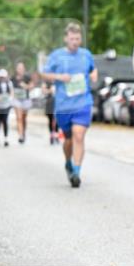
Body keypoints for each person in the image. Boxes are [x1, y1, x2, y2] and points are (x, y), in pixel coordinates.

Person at [41, 23, 97, 187]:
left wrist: (93, 75)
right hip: (64, 106)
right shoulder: (56, 56)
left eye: (78, 38)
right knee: (68, 140)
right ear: (66, 38)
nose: (75, 41)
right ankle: (68, 162)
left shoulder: (86, 55)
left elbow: (93, 69)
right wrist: (58, 77)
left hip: (83, 103)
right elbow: (44, 74)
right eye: (72, 38)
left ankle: (76, 173)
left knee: (78, 135)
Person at [12, 62, 33, 144]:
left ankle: (23, 132)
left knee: (24, 118)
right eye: (18, 68)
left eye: (21, 68)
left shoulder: (27, 77)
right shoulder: (13, 78)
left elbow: (31, 86)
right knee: (19, 118)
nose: (20, 69)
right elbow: (10, 88)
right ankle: (20, 135)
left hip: (25, 100)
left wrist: (26, 86)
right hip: (17, 100)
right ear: (16, 69)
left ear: (24, 69)